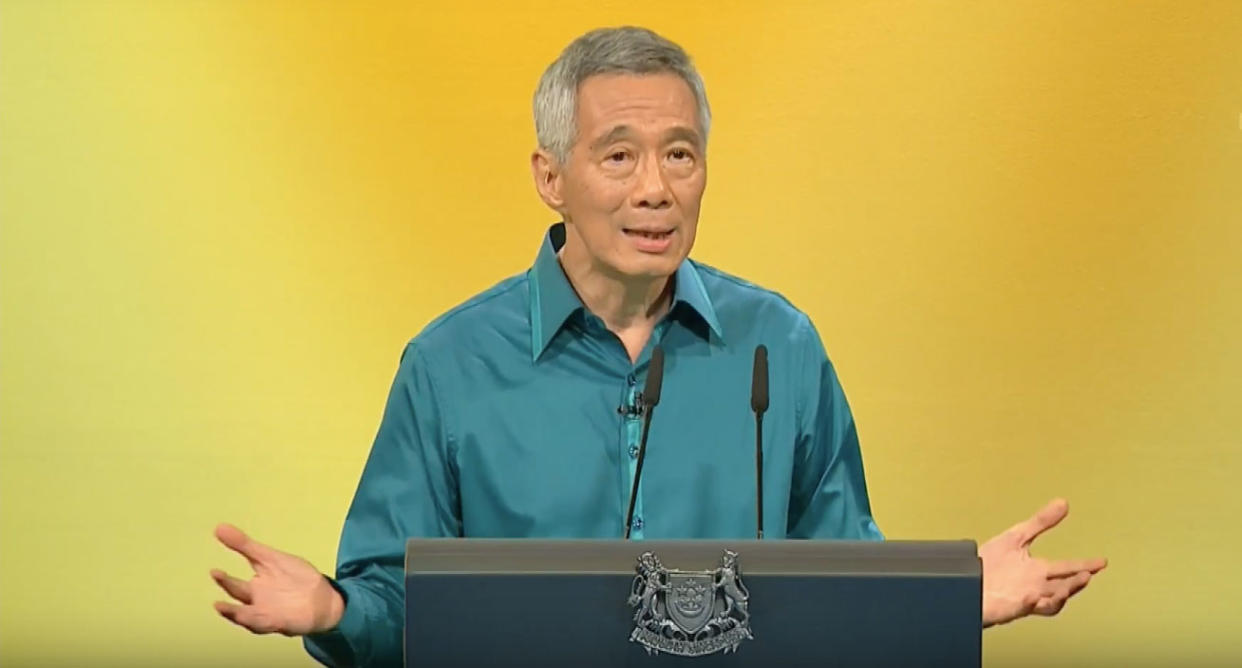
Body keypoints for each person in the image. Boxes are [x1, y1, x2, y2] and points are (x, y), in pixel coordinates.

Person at [210, 26, 1106, 667]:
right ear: (549, 177)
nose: (656, 190)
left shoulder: (779, 347)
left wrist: (953, 599)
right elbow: (402, 610)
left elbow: (841, 586)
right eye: (619, 157)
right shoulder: (450, 365)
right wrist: (331, 609)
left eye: (681, 155)